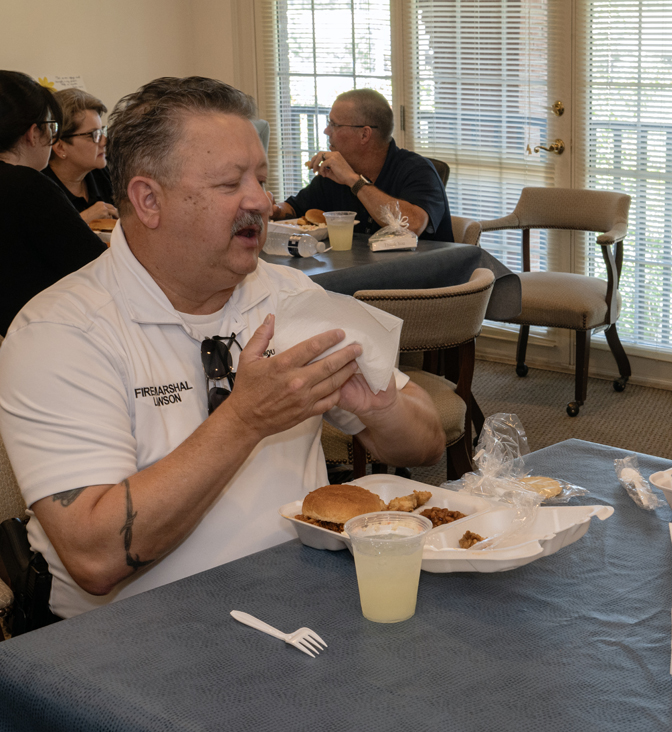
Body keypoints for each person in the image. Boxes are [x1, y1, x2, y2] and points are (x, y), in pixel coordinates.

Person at [0, 76, 446, 618]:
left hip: (293, 603)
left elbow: (425, 444)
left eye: (260, 177)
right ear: (148, 200)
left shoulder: (290, 295)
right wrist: (244, 420)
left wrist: (382, 408)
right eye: (229, 184)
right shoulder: (59, 331)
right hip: (131, 640)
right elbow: (95, 559)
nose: (260, 200)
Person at [272, 88, 454, 242]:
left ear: (365, 134)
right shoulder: (334, 175)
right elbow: (294, 209)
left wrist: (354, 181)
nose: (326, 131)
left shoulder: (418, 170)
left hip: (423, 278)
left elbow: (412, 225)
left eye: (334, 124)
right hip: (358, 276)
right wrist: (272, 209)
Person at [0, 71, 106, 336]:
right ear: (33, 133)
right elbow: (95, 265)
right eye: (52, 127)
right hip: (45, 332)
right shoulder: (28, 186)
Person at [42, 87, 117, 224]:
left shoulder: (103, 175)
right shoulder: (39, 190)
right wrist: (82, 220)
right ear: (60, 147)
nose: (104, 141)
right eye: (93, 135)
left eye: (102, 131)